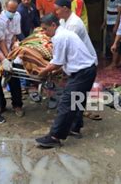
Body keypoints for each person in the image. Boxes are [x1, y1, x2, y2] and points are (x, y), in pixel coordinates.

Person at [35, 14, 97, 148]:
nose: (45, 33)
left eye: (46, 29)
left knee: (66, 103)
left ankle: (54, 136)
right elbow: (64, 60)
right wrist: (55, 69)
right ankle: (74, 128)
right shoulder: (65, 33)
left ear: (53, 25)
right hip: (87, 70)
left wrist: (44, 72)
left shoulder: (59, 37)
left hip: (82, 72)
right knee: (77, 100)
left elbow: (58, 62)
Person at [0, 0, 24, 117]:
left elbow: (14, 35)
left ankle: (17, 105)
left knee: (14, 78)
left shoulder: (17, 16)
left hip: (10, 51)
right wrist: (5, 57)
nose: (12, 13)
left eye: (14, 10)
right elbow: (0, 40)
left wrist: (15, 47)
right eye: (10, 10)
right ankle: (0, 105)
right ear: (5, 7)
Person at [102, 0, 121, 68]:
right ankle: (119, 60)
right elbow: (108, 10)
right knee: (111, 42)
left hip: (114, 23)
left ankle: (114, 63)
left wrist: (116, 25)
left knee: (115, 43)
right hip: (109, 22)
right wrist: (104, 22)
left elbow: (120, 13)